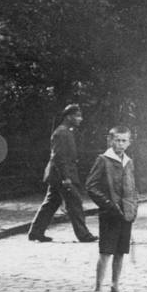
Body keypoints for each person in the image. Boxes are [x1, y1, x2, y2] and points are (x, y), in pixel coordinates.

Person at [28, 104, 97, 243]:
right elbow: (58, 157)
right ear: (69, 117)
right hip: (61, 175)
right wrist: (66, 177)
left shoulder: (67, 131)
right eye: (78, 116)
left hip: (58, 174)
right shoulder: (61, 133)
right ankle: (83, 235)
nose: (81, 119)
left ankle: (35, 232)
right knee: (75, 202)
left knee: (51, 203)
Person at [85, 126, 138, 292]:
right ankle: (98, 288)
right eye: (117, 140)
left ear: (129, 142)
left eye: (124, 140)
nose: (121, 144)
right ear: (110, 140)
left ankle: (115, 287)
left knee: (121, 251)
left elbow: (132, 187)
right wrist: (107, 204)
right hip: (110, 213)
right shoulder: (103, 160)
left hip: (126, 213)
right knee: (106, 251)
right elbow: (91, 186)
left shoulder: (128, 162)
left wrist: (133, 207)